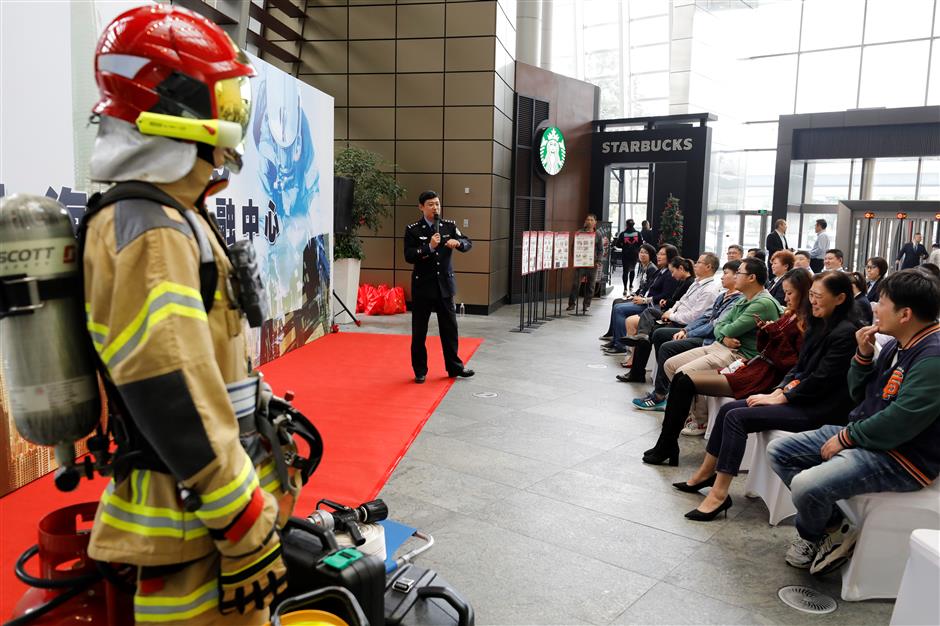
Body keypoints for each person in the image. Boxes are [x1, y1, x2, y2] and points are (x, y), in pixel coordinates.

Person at [81, 7, 291, 623]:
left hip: (207, 512)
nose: (232, 122)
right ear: (172, 105)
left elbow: (211, 356)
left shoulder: (176, 215)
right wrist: (243, 523)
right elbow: (169, 385)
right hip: (193, 524)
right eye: (223, 103)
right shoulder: (148, 229)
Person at [768, 269, 940, 575]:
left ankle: (811, 533)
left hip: (901, 457)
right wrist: (862, 357)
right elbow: (861, 395)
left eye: (882, 303)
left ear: (905, 314)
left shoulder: (932, 358)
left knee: (808, 486)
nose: (875, 308)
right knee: (780, 452)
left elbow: (900, 422)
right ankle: (834, 528)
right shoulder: (896, 345)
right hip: (868, 436)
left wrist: (847, 439)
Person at [677, 271, 858, 521]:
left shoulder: (846, 333)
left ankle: (719, 494)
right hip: (800, 396)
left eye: (817, 296)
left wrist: (784, 397)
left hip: (819, 409)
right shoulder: (821, 324)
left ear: (839, 299)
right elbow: (800, 368)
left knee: (737, 417)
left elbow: (821, 380)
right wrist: (779, 390)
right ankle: (706, 474)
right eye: (812, 295)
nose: (812, 301)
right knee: (730, 410)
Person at [639, 258, 783, 440]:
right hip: (719, 346)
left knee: (684, 373)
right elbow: (720, 325)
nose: (735, 276)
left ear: (752, 277)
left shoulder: (762, 303)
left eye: (739, 273)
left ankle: (700, 420)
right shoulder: (744, 298)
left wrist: (723, 332)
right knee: (670, 365)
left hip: (738, 355)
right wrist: (723, 335)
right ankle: (691, 411)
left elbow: (727, 327)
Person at [627, 261, 742, 389]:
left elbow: (706, 321)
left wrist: (685, 329)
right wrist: (680, 324)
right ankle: (644, 372)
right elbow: (687, 305)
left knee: (659, 335)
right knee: (651, 324)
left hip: (703, 335)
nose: (696, 265)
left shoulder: (712, 290)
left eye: (699, 262)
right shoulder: (709, 289)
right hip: (685, 322)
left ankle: (660, 390)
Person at [405, 191, 474, 383]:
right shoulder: (413, 229)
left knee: (450, 329)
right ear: (421, 207)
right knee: (419, 331)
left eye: (437, 204)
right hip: (423, 287)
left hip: (444, 285)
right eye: (430, 204)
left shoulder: (449, 226)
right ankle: (420, 370)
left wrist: (459, 243)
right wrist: (429, 247)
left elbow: (468, 242)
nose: (435, 208)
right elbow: (409, 255)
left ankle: (454, 367)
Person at [619, 253, 721, 374]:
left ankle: (644, 373)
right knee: (648, 318)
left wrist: (672, 316)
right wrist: (670, 312)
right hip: (675, 316)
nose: (695, 264)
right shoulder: (696, 282)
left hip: (683, 324)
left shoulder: (709, 290)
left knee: (654, 332)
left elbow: (694, 317)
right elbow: (680, 301)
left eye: (699, 262)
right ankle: (640, 349)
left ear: (708, 267)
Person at [602, 244, 679, 354]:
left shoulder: (668, 274)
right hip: (645, 301)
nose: (659, 256)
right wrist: (636, 295)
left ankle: (620, 345)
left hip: (651, 306)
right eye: (658, 254)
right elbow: (647, 287)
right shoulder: (660, 271)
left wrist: (644, 300)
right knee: (617, 304)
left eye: (662, 254)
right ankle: (615, 340)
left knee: (619, 308)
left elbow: (665, 295)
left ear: (670, 257)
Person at [598, 243, 657, 341]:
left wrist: (639, 296)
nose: (642, 254)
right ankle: (612, 334)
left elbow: (649, 288)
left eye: (646, 253)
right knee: (616, 301)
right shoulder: (645, 267)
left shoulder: (651, 269)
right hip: (640, 297)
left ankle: (619, 341)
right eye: (641, 252)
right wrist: (633, 294)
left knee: (619, 308)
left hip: (645, 302)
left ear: (651, 255)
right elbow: (643, 287)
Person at [566, 214, 604, 312]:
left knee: (591, 285)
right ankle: (571, 304)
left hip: (593, 263)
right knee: (575, 284)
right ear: (585, 221)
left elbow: (600, 250)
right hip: (580, 263)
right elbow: (573, 247)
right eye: (588, 219)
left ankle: (586, 304)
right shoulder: (579, 233)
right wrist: (574, 258)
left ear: (595, 222)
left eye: (591, 220)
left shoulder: (598, 234)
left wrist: (598, 260)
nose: (589, 221)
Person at [615, 219, 643, 296]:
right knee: (632, 270)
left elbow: (617, 244)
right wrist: (636, 247)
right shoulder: (638, 233)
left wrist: (624, 246)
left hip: (625, 254)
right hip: (634, 254)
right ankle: (631, 285)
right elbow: (641, 243)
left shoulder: (623, 234)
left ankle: (625, 288)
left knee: (625, 271)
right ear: (633, 224)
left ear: (626, 225)